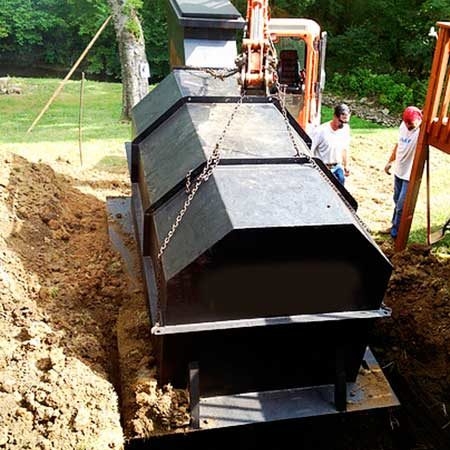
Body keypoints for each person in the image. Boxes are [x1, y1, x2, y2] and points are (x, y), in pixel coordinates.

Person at [384, 106, 423, 239]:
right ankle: (394, 225)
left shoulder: (422, 131)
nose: (408, 127)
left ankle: (396, 233)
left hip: (409, 175)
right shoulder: (403, 126)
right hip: (399, 171)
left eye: (411, 124)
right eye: (406, 124)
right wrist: (390, 161)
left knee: (402, 205)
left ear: (419, 120)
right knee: (396, 200)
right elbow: (398, 145)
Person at [311, 103, 351, 185]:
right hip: (323, 168)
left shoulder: (345, 129)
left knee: (341, 186)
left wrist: (346, 165)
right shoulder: (320, 131)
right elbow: (310, 149)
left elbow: (345, 148)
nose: (343, 125)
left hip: (337, 167)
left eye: (345, 122)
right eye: (341, 122)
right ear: (335, 117)